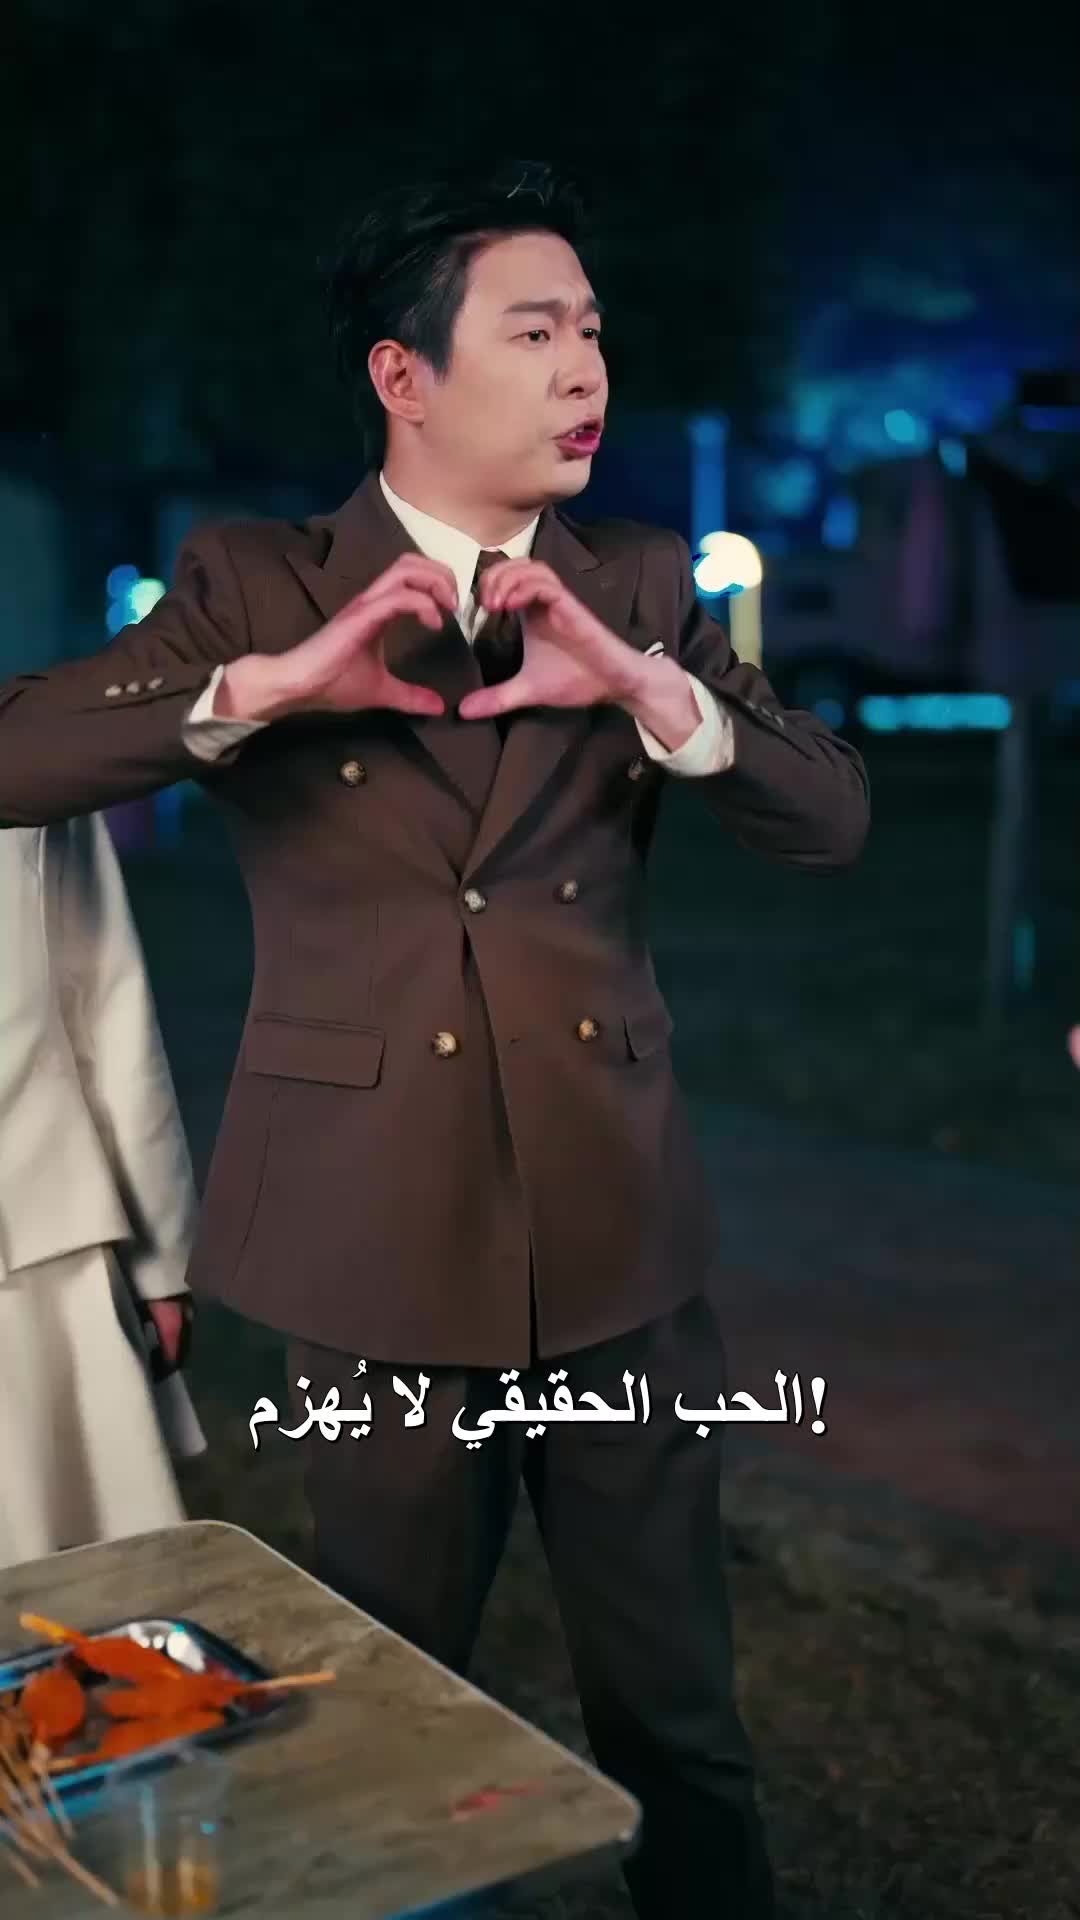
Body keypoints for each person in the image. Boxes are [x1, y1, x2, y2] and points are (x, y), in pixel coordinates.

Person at [0, 159, 869, 1916]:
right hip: (371, 1242)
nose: (585, 371)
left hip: (619, 1241)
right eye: (534, 334)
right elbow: (18, 756)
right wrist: (263, 689)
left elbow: (833, 818)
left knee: (679, 1720)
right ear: (404, 376)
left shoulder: (639, 579)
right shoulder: (260, 579)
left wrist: (654, 691)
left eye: (593, 332)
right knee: (381, 1717)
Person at [0, 812, 205, 1569]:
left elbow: (105, 1003)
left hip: (42, 1244)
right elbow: (106, 1005)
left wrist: (160, 1261)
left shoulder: (34, 763)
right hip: (43, 1236)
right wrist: (160, 1262)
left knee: (80, 1594)